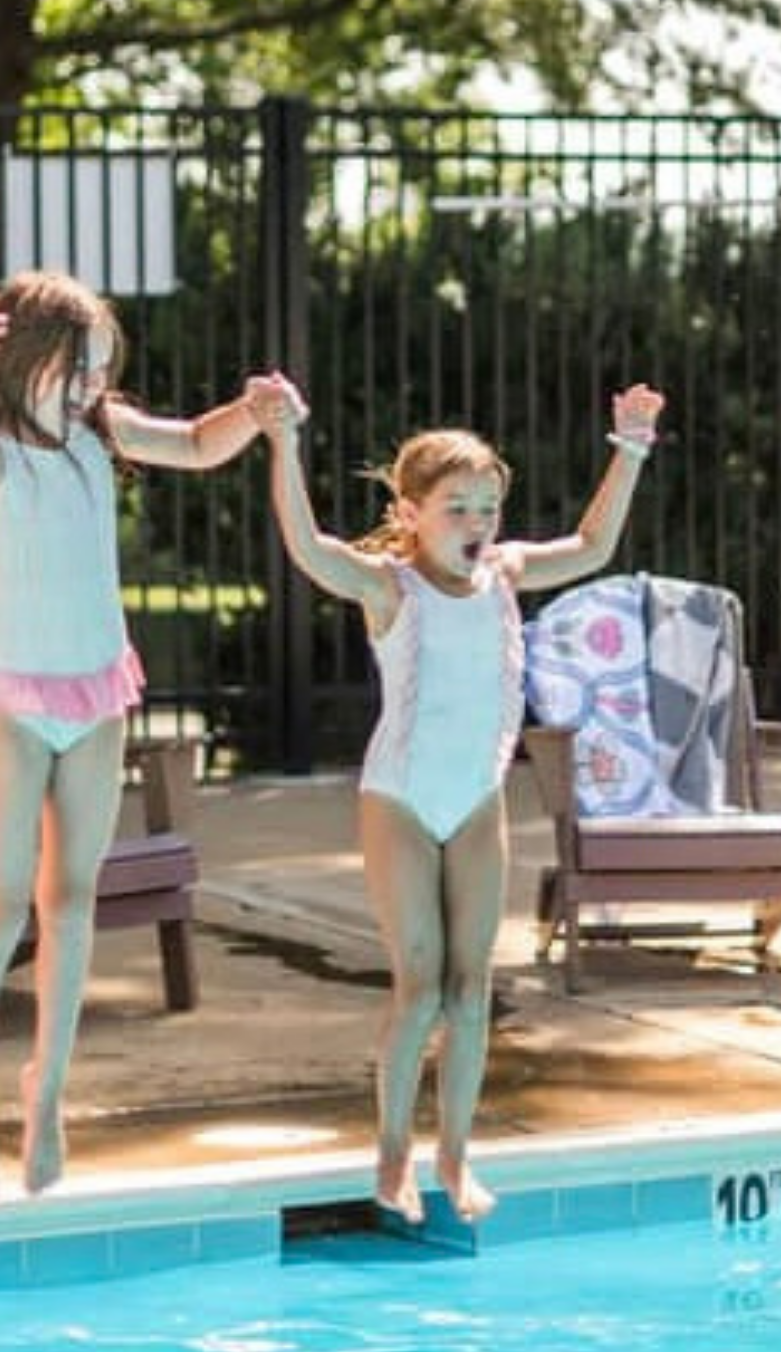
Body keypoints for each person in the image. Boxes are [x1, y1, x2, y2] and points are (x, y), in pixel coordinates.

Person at [245, 372, 667, 1223]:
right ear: (410, 513)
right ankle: (393, 1155)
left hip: (475, 800)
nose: (476, 527)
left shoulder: (505, 575)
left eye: (486, 508)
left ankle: (456, 1156)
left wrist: (628, 448)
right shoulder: (389, 587)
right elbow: (309, 548)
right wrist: (283, 444)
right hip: (399, 800)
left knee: (473, 988)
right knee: (421, 985)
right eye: (456, 509)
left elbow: (589, 547)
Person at [0, 269, 267, 1199]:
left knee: (72, 905)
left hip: (98, 700)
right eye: (78, 368)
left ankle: (47, 1092)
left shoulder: (101, 436)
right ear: (23, 362)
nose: (94, 386)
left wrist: (255, 411)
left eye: (102, 369)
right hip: (13, 705)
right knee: (1, 906)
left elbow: (197, 442)